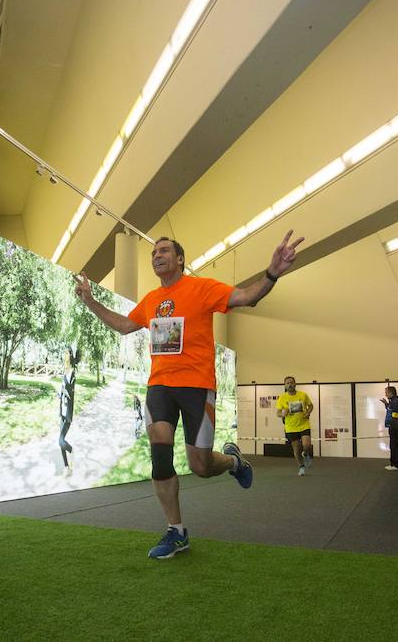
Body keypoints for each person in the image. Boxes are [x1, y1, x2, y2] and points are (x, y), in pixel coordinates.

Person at [74, 230, 304, 559]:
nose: (157, 255)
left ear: (180, 259)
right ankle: (176, 531)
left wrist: (272, 273)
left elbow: (248, 296)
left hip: (198, 387)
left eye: (164, 250)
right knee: (160, 457)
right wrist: (90, 300)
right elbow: (125, 326)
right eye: (153, 252)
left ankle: (233, 461)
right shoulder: (152, 299)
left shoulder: (202, 288)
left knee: (200, 465)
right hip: (160, 386)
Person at [276, 376, 314, 476]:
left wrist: (308, 413)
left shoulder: (303, 395)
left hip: (304, 424)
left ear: (295, 384)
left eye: (291, 382)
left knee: (307, 445)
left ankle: (305, 454)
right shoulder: (282, 398)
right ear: (285, 385)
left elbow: (310, 406)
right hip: (291, 427)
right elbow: (278, 413)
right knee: (296, 449)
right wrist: (283, 413)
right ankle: (301, 467)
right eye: (287, 383)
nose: (290, 385)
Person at [58, 347, 80, 476]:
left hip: (67, 413)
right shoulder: (64, 371)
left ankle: (71, 450)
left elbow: (71, 393)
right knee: (61, 441)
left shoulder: (72, 372)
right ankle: (67, 468)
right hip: (61, 410)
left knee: (60, 440)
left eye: (66, 353)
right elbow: (63, 390)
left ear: (70, 355)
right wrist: (60, 394)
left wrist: (65, 392)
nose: (64, 355)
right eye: (64, 352)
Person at [380, 386, 398, 470]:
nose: (385, 394)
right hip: (393, 426)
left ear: (391, 393)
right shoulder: (393, 401)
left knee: (395, 445)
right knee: (393, 445)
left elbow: (395, 414)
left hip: (395, 426)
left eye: (386, 392)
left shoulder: (396, 401)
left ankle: (397, 465)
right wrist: (386, 404)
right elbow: (390, 409)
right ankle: (393, 464)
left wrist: (393, 423)